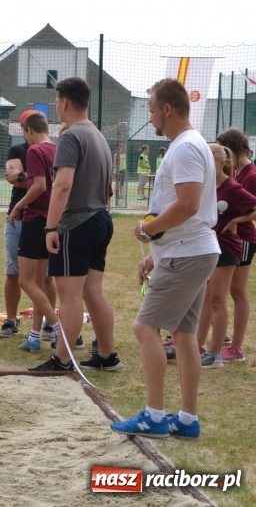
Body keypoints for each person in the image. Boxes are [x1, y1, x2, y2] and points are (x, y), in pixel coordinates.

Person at [110, 78, 218, 439]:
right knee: (184, 334)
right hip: (189, 250)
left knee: (144, 328)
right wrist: (157, 253)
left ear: (167, 109)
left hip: (188, 251)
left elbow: (188, 205)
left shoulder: (184, 147)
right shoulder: (189, 144)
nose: (150, 116)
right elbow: (188, 209)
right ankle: (187, 419)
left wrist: (147, 229)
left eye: (152, 109)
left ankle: (154, 416)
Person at [32, 77, 118, 372]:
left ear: (65, 102)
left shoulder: (70, 136)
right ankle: (107, 355)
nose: (57, 106)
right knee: (93, 292)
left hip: (78, 222)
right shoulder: (98, 135)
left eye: (57, 101)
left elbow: (63, 185)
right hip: (100, 219)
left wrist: (50, 227)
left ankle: (63, 359)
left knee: (70, 295)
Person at [193, 144, 256, 368]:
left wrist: (236, 220)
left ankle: (215, 355)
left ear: (221, 163)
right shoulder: (205, 186)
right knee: (207, 298)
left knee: (218, 299)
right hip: (208, 247)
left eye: (208, 160)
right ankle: (198, 346)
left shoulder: (232, 188)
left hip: (227, 248)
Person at [7, 112, 65, 355]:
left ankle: (59, 328)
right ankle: (34, 336)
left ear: (29, 130)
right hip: (51, 221)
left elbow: (39, 186)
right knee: (40, 282)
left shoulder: (35, 151)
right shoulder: (56, 150)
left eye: (25, 134)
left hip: (34, 220)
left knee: (25, 281)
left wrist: (19, 206)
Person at [215, 128, 256, 362]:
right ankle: (222, 335)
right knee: (218, 291)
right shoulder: (238, 173)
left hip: (244, 239)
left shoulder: (251, 175)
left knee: (237, 291)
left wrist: (235, 221)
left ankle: (237, 347)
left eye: (225, 149)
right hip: (229, 239)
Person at [0, 110, 33, 339]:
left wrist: (25, 177)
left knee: (45, 276)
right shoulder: (17, 150)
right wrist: (36, 179)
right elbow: (13, 176)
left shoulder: (52, 149)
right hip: (16, 219)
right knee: (13, 272)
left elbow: (51, 182)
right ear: (24, 129)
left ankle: (45, 324)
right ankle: (11, 320)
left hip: (40, 219)